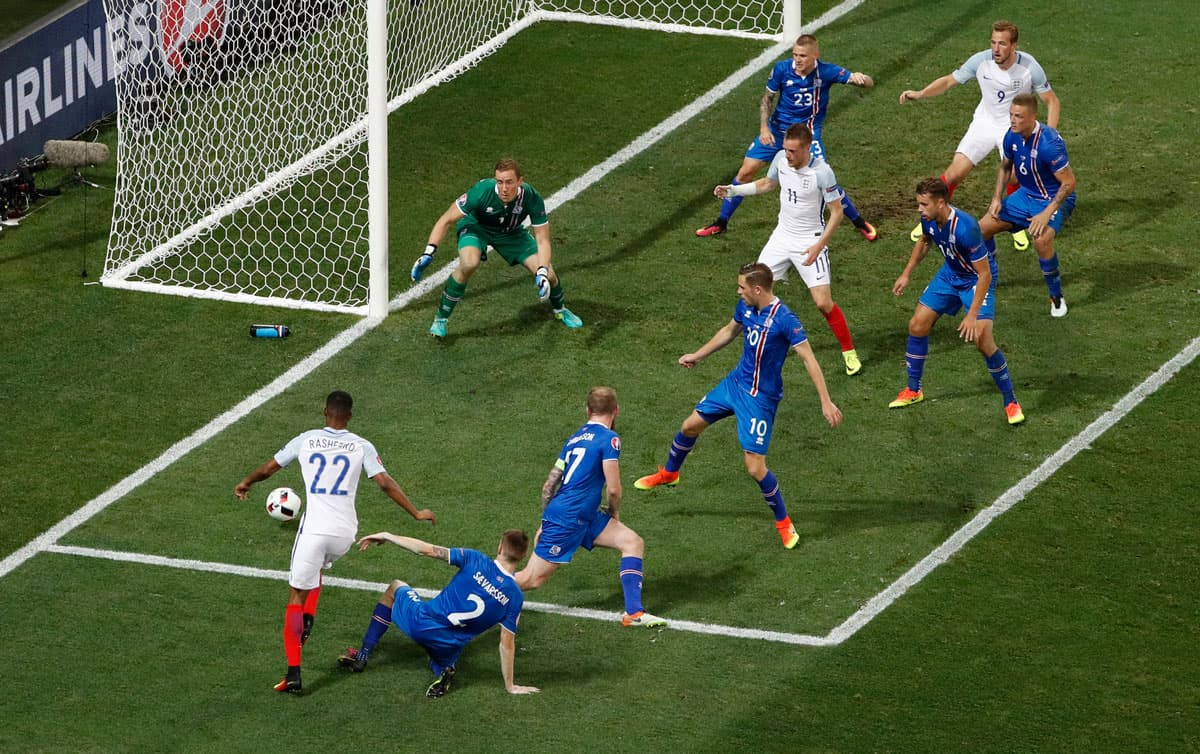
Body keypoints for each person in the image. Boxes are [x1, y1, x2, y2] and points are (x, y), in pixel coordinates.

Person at [233, 390, 437, 694]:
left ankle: (293, 674)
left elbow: (269, 468)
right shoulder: (362, 445)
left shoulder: (306, 438)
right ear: (350, 416)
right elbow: (385, 483)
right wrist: (416, 513)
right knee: (317, 569)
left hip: (314, 531)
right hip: (345, 534)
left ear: (324, 411)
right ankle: (310, 618)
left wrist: (246, 481)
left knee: (295, 597)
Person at [634, 263, 843, 549]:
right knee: (689, 426)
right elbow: (729, 330)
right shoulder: (745, 307)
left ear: (758, 289)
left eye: (742, 287)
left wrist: (825, 400)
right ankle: (670, 474)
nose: (738, 291)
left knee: (755, 468)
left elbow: (808, 358)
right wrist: (699, 355)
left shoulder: (785, 319)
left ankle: (783, 522)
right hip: (734, 385)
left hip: (760, 399)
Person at [714, 122, 863, 377]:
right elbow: (766, 184)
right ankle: (757, 347)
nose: (788, 155)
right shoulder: (781, 159)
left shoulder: (822, 173)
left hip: (810, 241)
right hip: (781, 237)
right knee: (753, 288)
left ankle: (849, 352)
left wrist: (819, 246)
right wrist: (734, 190)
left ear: (806, 149)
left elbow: (837, 213)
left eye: (793, 151)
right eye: (786, 149)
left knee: (822, 302)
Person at [696, 34, 877, 242]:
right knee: (745, 172)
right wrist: (764, 128)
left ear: (814, 55)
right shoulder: (782, 69)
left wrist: (862, 79)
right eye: (795, 55)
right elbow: (767, 100)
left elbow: (869, 84)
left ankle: (859, 222)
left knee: (824, 178)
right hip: (776, 130)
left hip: (807, 136)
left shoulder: (827, 72)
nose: (797, 60)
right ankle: (721, 222)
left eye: (802, 56)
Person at [899, 19, 1061, 251]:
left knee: (1015, 177)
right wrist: (920, 93)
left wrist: (1049, 135)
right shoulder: (981, 61)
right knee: (954, 174)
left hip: (1012, 127)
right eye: (993, 42)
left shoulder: (1029, 67)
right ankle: (930, 219)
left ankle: (1016, 226)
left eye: (1002, 44)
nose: (996, 48)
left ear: (1014, 46)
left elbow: (1052, 101)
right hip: (984, 123)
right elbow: (948, 81)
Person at [514, 387, 666, 628]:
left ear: (588, 410)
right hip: (569, 518)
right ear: (616, 410)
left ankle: (634, 613)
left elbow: (549, 485)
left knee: (632, 542)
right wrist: (614, 511)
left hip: (579, 515)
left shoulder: (574, 438)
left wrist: (545, 518)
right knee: (532, 580)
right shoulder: (609, 439)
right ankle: (485, 589)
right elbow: (613, 489)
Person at [337, 529, 538, 698]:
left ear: (500, 548)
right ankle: (445, 669)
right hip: (448, 646)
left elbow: (425, 550)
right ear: (522, 557)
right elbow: (506, 644)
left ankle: (363, 655)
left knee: (395, 587)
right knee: (446, 656)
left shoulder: (474, 559)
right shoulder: (515, 597)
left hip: (421, 623)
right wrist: (510, 686)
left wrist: (389, 536)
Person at [888, 178, 1025, 424]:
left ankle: (1011, 401)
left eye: (923, 204)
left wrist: (971, 315)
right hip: (950, 276)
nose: (919, 209)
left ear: (941, 203)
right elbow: (924, 241)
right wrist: (907, 273)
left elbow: (984, 274)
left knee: (983, 342)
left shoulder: (966, 228)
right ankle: (913, 390)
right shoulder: (929, 219)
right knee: (917, 325)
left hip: (975, 279)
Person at [411, 157, 583, 337]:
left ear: (520, 181)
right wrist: (429, 251)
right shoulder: (482, 192)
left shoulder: (531, 197)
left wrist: (541, 270)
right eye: (500, 182)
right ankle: (440, 319)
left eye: (509, 182)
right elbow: (446, 219)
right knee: (469, 263)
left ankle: (560, 310)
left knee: (549, 275)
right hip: (477, 227)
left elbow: (543, 240)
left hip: (511, 232)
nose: (504, 188)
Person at [979, 93, 1077, 317]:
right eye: (1011, 115)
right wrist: (996, 198)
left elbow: (1069, 183)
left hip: (1053, 200)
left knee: (1041, 240)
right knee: (983, 227)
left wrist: (1045, 214)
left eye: (1019, 116)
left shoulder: (1048, 144)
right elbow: (1005, 167)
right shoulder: (1011, 136)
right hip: (1025, 196)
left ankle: (1056, 296)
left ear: (1032, 117)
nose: (1013, 120)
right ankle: (990, 276)